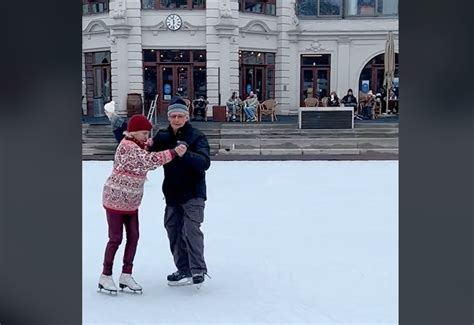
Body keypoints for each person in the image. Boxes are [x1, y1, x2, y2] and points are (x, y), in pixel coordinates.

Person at [98, 114, 183, 294]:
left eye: (147, 133)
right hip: (115, 198)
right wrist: (174, 152)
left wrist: (157, 138)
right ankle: (105, 275)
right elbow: (148, 161)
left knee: (134, 236)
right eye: (143, 133)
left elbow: (146, 145)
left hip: (131, 201)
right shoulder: (127, 146)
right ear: (134, 132)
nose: (146, 136)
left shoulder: (137, 143)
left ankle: (126, 274)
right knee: (115, 238)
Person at [148, 98, 211, 286]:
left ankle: (198, 270)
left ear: (186, 117)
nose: (176, 119)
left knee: (191, 230)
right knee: (173, 230)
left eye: (180, 116)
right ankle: (183, 269)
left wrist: (186, 154)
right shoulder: (163, 136)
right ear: (168, 118)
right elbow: (146, 152)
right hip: (172, 193)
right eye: (173, 116)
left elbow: (204, 163)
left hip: (193, 192)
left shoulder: (196, 136)